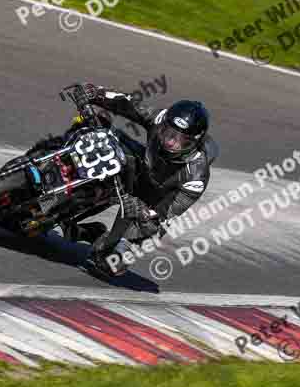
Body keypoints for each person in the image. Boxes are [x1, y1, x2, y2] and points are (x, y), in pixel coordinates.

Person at [27, 83, 219, 277]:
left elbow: (167, 213)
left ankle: (90, 234)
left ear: (194, 143)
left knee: (111, 262)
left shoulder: (196, 177)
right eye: (168, 133)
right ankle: (52, 159)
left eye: (181, 141)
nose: (170, 142)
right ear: (164, 124)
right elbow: (128, 104)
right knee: (99, 124)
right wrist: (96, 93)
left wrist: (144, 213)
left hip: (151, 203)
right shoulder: (160, 119)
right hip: (141, 168)